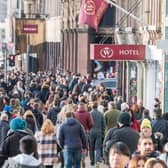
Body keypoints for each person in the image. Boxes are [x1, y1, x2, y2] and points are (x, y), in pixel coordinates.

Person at [89, 101, 105, 166]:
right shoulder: (101, 114)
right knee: (98, 147)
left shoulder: (89, 114)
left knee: (91, 147)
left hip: (91, 132)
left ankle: (92, 160)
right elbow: (103, 124)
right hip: (99, 132)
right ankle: (97, 160)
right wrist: (103, 131)